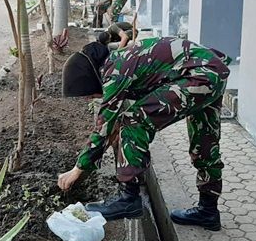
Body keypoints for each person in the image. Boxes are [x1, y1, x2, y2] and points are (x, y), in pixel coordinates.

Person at [58, 37, 231, 231]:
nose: (92, 98)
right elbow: (112, 126)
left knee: (134, 120)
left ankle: (129, 199)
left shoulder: (115, 71)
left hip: (199, 74)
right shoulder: (121, 63)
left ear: (89, 80)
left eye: (89, 95)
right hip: (212, 71)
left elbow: (105, 126)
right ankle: (208, 211)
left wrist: (77, 169)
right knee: (205, 142)